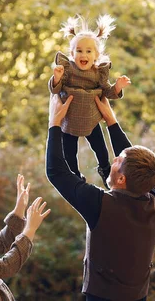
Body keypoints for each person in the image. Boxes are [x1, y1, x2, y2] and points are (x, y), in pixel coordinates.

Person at [46, 94, 155, 301]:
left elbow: (56, 172)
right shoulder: (152, 198)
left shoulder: (100, 205)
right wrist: (110, 118)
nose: (115, 157)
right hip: (138, 296)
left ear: (121, 180)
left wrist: (54, 123)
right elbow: (133, 164)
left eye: (119, 161)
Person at [49, 15, 131, 187]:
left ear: (96, 55)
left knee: (101, 150)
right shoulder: (68, 71)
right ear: (72, 54)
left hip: (92, 120)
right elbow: (55, 90)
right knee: (69, 154)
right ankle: (76, 176)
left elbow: (108, 92)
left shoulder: (98, 73)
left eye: (88, 51)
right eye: (79, 51)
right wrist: (56, 78)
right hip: (69, 122)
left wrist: (118, 86)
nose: (83, 54)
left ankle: (105, 169)